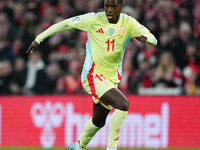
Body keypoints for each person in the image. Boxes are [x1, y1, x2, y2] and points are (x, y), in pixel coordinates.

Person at [26, 0, 157, 150]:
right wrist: (39, 38)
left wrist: (147, 40)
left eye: (113, 6)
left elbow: (153, 38)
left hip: (111, 79)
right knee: (123, 105)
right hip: (92, 76)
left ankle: (77, 146)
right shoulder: (93, 19)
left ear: (120, 6)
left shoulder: (128, 23)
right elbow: (65, 24)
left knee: (98, 120)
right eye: (107, 6)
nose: (109, 10)